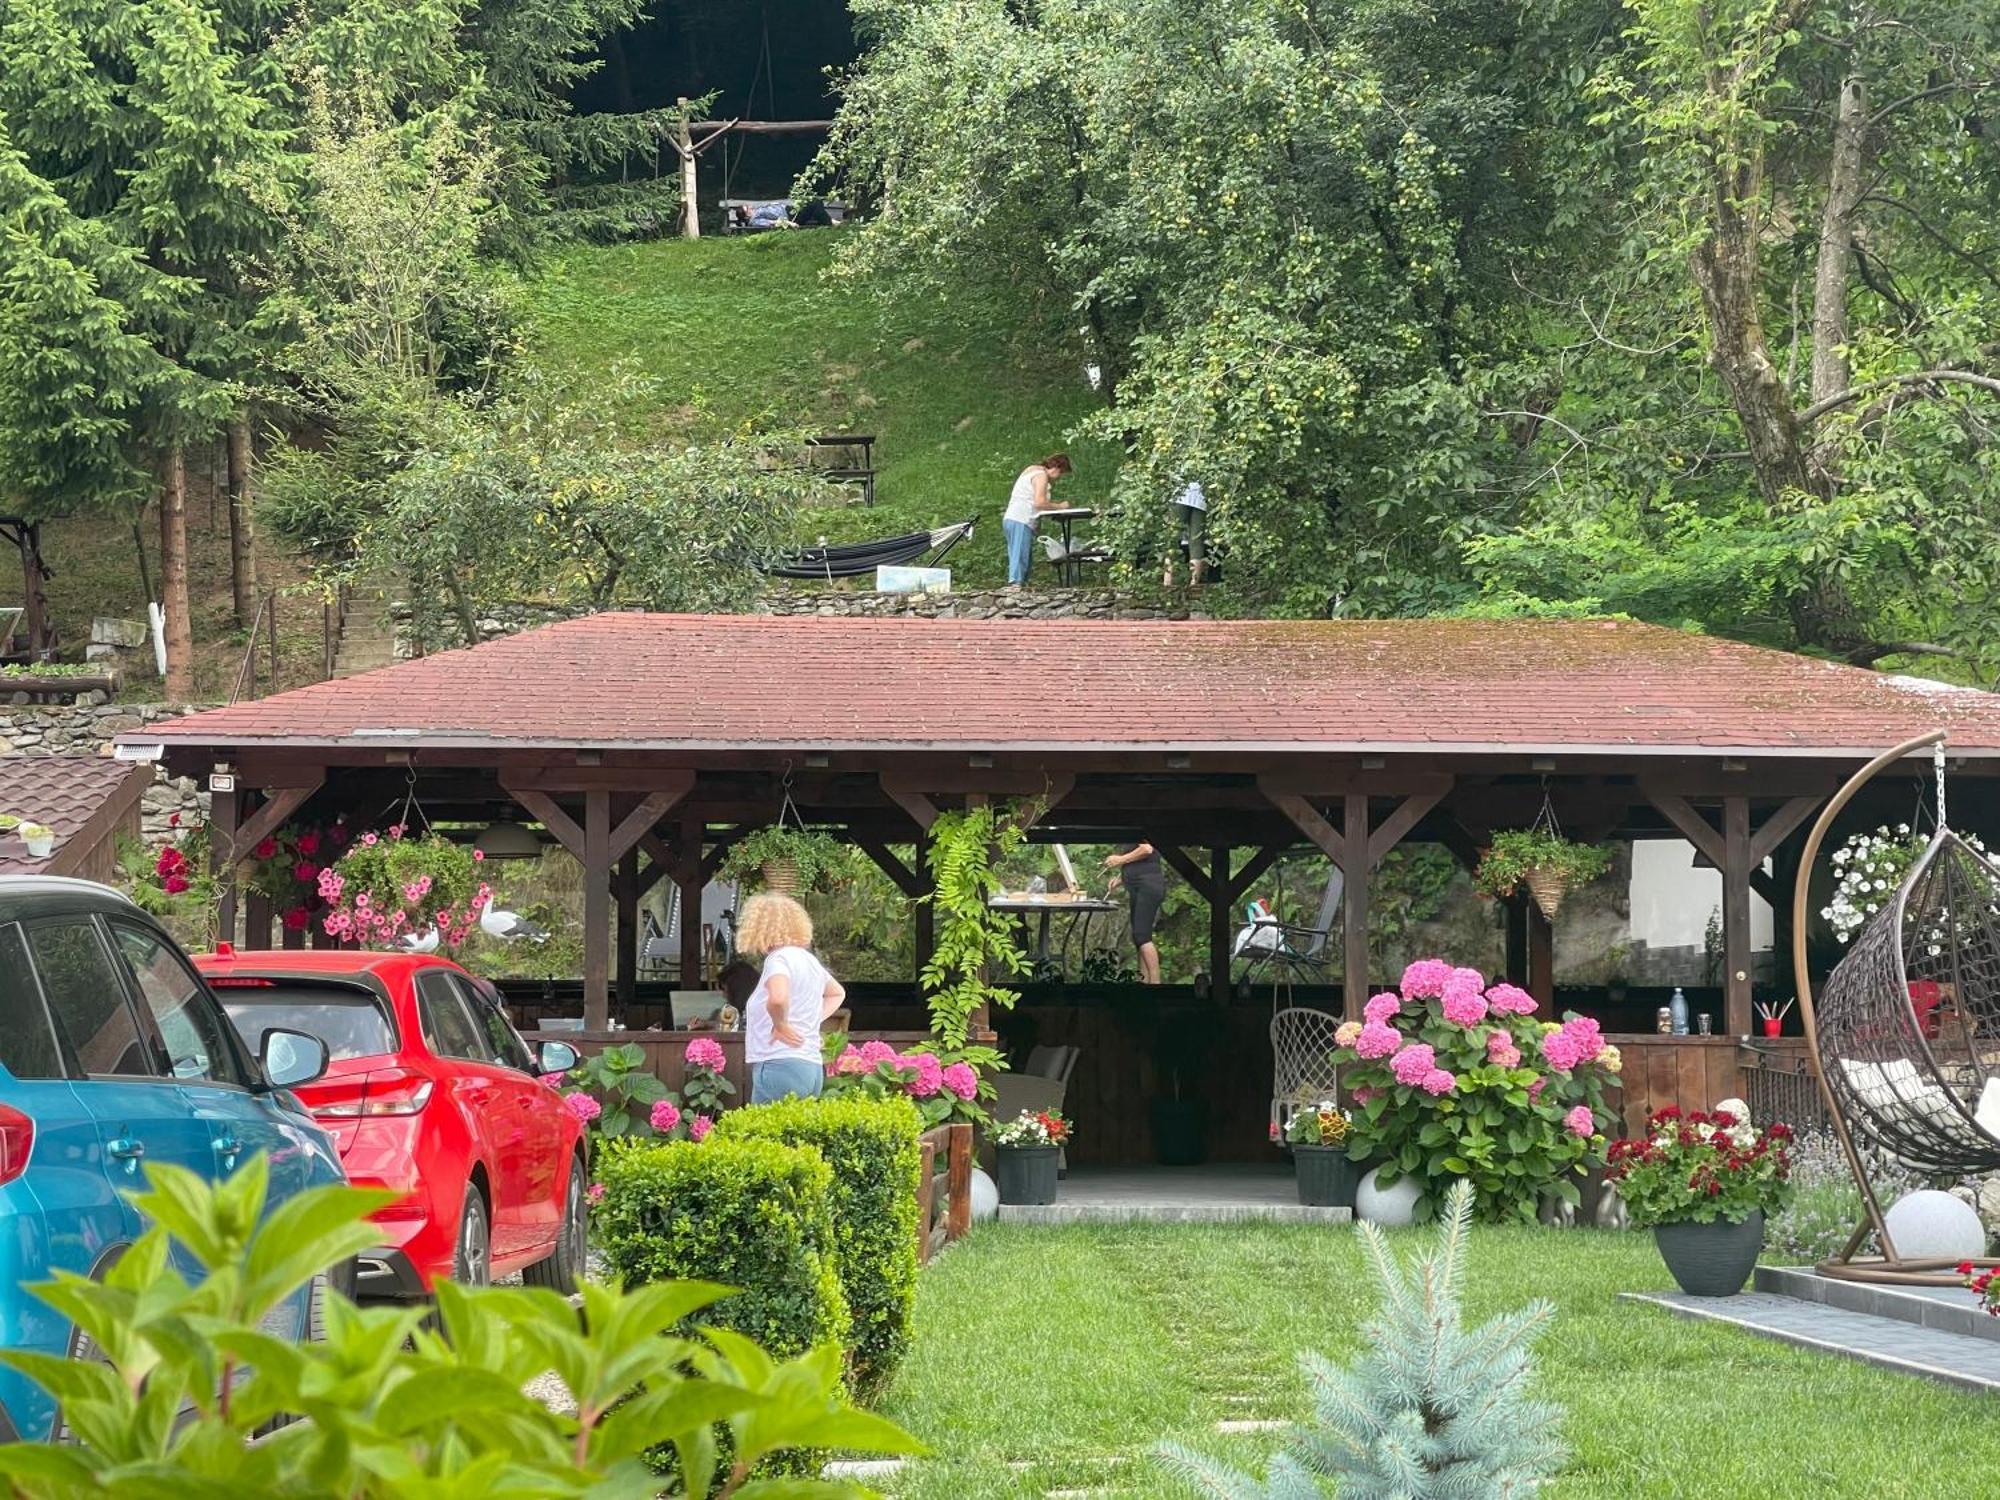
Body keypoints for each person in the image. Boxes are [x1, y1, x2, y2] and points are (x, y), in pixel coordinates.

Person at [737, 891, 845, 1104]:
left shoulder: (778, 959)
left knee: (763, 1135)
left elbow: (778, 997)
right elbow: (836, 993)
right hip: (811, 1068)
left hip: (780, 1063)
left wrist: (781, 1024)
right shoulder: (809, 961)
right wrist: (812, 1021)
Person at [1001, 452, 1073, 587]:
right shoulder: (1041, 476)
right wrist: (1060, 507)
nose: (1059, 478)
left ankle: (1021, 583)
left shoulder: (1031, 470)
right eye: (1061, 473)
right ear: (1057, 467)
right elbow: (1039, 503)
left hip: (1012, 517)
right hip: (1021, 518)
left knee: (1020, 552)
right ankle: (1016, 584)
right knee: (1020, 553)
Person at [1103, 841, 1164, 984]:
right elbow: (1137, 862)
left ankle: (1155, 983)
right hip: (1137, 887)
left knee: (1142, 936)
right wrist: (1120, 879)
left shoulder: (1141, 828)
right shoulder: (1130, 835)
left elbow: (1147, 849)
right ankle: (1143, 981)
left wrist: (1119, 859)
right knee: (1139, 938)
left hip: (1148, 886)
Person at [1164, 477, 1207, 588]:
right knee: (1197, 539)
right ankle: (1194, 582)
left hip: (1181, 494)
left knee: (1173, 538)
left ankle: (1168, 581)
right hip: (1201, 495)